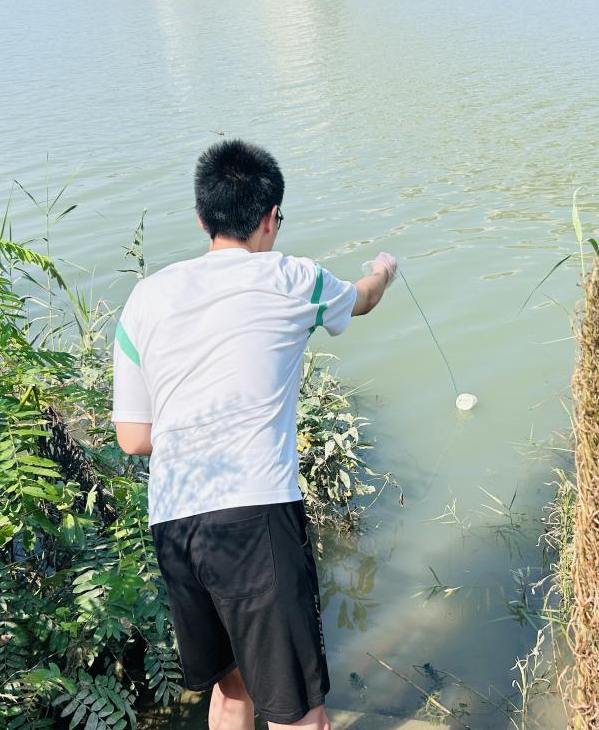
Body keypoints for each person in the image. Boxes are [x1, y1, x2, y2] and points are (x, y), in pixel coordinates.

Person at [111, 139, 396, 730]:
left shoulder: (145, 299)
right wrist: (383, 271)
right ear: (270, 219)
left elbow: (133, 436)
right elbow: (361, 301)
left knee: (232, 689)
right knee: (299, 714)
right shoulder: (291, 277)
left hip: (175, 522)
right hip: (254, 516)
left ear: (201, 217)